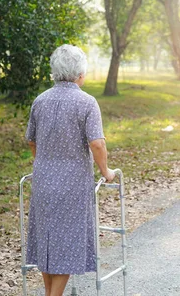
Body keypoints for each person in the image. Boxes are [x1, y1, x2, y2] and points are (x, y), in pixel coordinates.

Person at [25, 44, 115, 296]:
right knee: (65, 242)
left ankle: (49, 293)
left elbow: (32, 140)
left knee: (47, 239)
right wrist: (106, 171)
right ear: (80, 75)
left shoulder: (40, 101)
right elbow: (96, 143)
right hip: (73, 183)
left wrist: (44, 161)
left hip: (43, 180)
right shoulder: (87, 102)